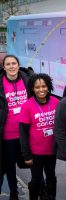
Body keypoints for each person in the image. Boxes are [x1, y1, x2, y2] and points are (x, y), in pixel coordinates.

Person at [19, 73, 59, 200]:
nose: (41, 90)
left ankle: (51, 196)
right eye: (37, 87)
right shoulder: (27, 105)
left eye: (44, 86)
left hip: (52, 151)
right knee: (36, 179)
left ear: (48, 87)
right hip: (35, 153)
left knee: (51, 176)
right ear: (32, 88)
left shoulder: (56, 102)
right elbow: (23, 133)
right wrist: (27, 155)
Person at [0, 55, 31, 200]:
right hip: (8, 134)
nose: (11, 66)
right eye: (8, 64)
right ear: (4, 67)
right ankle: (14, 192)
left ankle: (40, 185)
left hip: (27, 133)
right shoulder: (0, 83)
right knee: (9, 165)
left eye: (14, 63)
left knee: (33, 161)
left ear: (18, 65)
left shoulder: (28, 80)